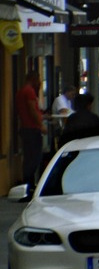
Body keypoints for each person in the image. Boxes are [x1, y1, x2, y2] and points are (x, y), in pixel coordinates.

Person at [16, 72, 47, 201]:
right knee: (34, 158)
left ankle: (27, 185)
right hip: (31, 129)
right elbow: (32, 110)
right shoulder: (29, 92)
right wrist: (41, 125)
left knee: (29, 157)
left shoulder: (20, 92)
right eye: (38, 79)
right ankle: (29, 185)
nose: (39, 82)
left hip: (26, 128)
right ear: (33, 79)